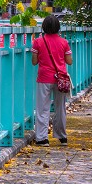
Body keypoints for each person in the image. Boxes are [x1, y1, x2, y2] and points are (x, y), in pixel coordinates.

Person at [31, 14, 73, 146]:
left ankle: (42, 138)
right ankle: (62, 136)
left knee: (42, 108)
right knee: (60, 108)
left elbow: (34, 62)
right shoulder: (64, 42)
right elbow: (69, 61)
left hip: (44, 78)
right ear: (58, 28)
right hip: (61, 79)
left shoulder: (38, 42)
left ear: (43, 27)